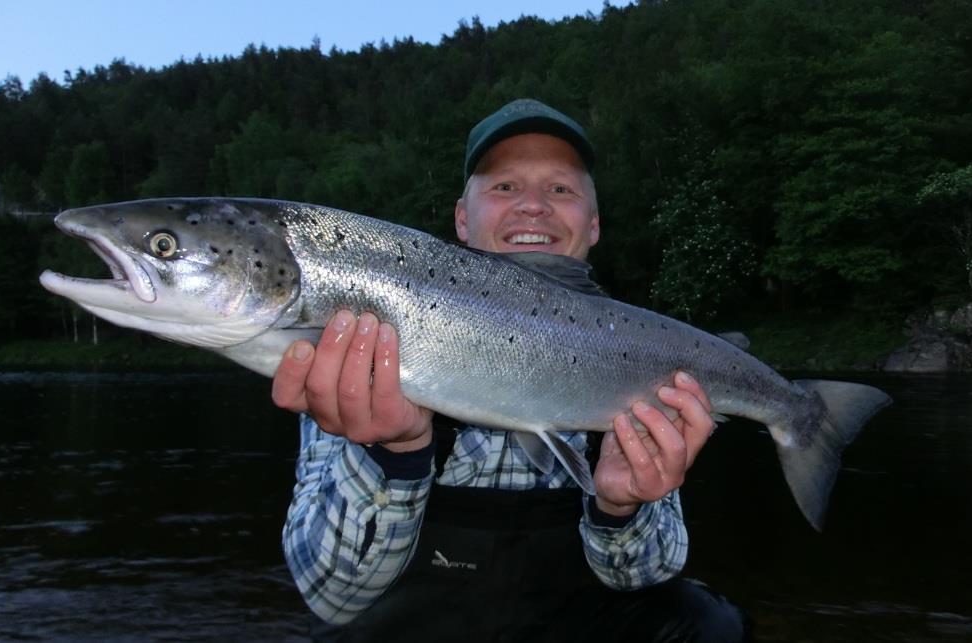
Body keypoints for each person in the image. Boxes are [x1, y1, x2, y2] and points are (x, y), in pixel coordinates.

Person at [272, 99, 748, 642]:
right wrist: (393, 454)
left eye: (561, 190)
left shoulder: (635, 356)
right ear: (461, 219)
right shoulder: (361, 343)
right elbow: (333, 598)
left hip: (573, 623)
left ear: (592, 226)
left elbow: (647, 577)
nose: (533, 207)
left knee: (709, 627)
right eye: (504, 187)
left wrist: (620, 507)